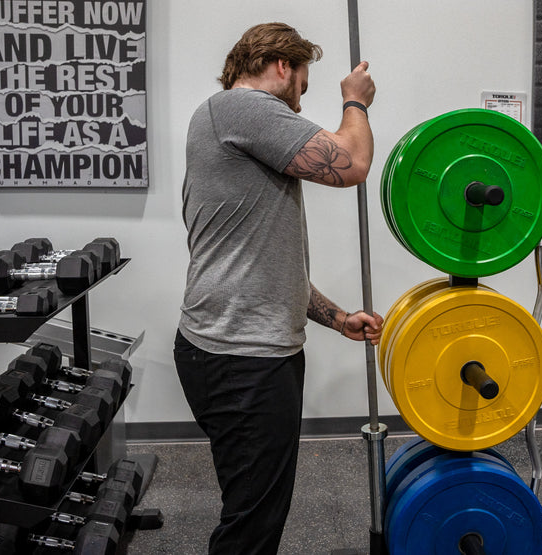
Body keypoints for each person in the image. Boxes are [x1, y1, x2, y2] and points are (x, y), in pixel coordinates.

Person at [174, 22, 383, 555]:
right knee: (252, 525)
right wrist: (354, 103)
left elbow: (267, 264)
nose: (297, 107)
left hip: (239, 351)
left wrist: (337, 318)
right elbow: (353, 163)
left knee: (251, 507)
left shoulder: (223, 123)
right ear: (283, 67)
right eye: (302, 89)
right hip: (243, 359)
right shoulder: (243, 108)